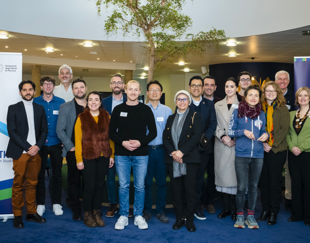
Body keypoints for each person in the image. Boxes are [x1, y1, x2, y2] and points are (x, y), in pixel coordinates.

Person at [109, 80, 157, 230]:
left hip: (141, 154)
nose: (133, 92)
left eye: (136, 90)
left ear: (140, 91)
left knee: (140, 186)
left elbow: (153, 132)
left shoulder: (146, 109)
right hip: (122, 154)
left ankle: (138, 215)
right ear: (125, 90)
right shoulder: (118, 109)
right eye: (130, 89)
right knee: (123, 186)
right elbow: (111, 132)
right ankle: (123, 215)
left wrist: (140, 142)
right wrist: (123, 142)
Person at [6, 80, 48, 229]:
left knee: (32, 184)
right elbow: (12, 132)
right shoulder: (13, 108)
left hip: (35, 153)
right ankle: (17, 215)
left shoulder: (40, 108)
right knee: (18, 185)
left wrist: (36, 147)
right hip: (20, 153)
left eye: (30, 90)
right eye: (25, 90)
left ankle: (31, 212)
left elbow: (44, 130)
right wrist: (29, 147)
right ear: (20, 92)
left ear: (35, 91)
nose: (28, 92)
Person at [228, 85, 269, 229]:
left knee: (253, 187)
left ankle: (250, 216)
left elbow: (264, 130)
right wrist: (243, 131)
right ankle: (240, 215)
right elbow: (230, 131)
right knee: (241, 187)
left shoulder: (262, 113)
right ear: (245, 97)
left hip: (258, 155)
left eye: (256, 95)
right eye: (250, 94)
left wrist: (266, 135)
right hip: (241, 155)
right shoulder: (237, 111)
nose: (253, 97)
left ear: (259, 98)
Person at [163, 90, 202, 232]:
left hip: (189, 160)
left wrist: (182, 152)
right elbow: (165, 138)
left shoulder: (195, 116)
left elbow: (196, 137)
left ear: (189, 101)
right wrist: (173, 152)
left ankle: (190, 221)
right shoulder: (170, 118)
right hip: (173, 160)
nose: (182, 101)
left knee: (190, 192)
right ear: (175, 102)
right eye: (179, 99)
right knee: (176, 191)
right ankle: (179, 219)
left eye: (184, 99)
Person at [74, 91, 115, 227]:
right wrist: (79, 159)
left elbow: (110, 137)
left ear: (100, 102)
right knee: (89, 186)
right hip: (88, 157)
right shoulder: (82, 117)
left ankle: (97, 212)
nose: (93, 102)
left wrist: (111, 155)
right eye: (90, 99)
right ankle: (87, 214)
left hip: (103, 156)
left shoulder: (106, 115)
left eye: (96, 99)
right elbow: (78, 140)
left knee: (99, 186)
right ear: (87, 102)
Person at [257, 81, 290, 225]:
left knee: (274, 183)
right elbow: (256, 127)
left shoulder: (282, 108)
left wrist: (271, 144)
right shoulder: (259, 108)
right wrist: (264, 143)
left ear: (278, 93)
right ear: (264, 93)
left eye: (273, 91)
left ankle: (273, 212)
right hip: (261, 149)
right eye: (267, 91)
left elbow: (284, 130)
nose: (270, 93)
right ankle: (265, 210)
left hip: (277, 150)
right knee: (263, 182)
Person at [33, 76, 65, 217]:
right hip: (39, 144)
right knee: (39, 175)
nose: (48, 86)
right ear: (41, 87)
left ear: (54, 86)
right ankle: (40, 204)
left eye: (50, 84)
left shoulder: (61, 103)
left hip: (56, 143)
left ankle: (56, 203)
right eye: (45, 84)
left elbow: (65, 123)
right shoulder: (34, 102)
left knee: (56, 175)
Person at [56, 78, 87, 221]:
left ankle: (88, 208)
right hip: (73, 150)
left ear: (85, 89)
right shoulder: (65, 107)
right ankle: (76, 209)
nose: (79, 90)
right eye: (76, 88)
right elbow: (60, 130)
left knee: (88, 181)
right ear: (73, 90)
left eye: (81, 87)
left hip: (90, 152)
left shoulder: (94, 106)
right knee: (74, 180)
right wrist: (70, 146)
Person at [143, 80, 172, 223]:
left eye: (157, 90)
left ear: (161, 93)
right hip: (146, 151)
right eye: (151, 90)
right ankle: (147, 210)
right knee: (146, 182)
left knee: (161, 182)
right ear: (147, 93)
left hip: (161, 151)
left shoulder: (167, 111)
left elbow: (170, 133)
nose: (154, 92)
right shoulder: (141, 109)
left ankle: (161, 210)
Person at [188, 76, 217, 218]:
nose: (196, 88)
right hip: (190, 149)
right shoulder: (184, 103)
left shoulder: (209, 104)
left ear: (202, 88)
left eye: (199, 85)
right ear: (189, 88)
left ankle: (198, 204)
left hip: (205, 148)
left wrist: (203, 139)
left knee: (201, 177)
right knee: (191, 178)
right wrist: (193, 141)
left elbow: (213, 124)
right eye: (193, 85)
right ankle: (191, 204)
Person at [102, 74, 127, 218]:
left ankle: (126, 205)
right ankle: (113, 204)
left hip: (126, 145)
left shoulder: (129, 100)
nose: (116, 85)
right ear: (111, 85)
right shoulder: (103, 102)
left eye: (119, 82)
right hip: (108, 144)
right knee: (110, 176)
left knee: (125, 178)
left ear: (123, 85)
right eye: (114, 83)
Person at [214, 77, 239, 221]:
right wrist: (223, 136)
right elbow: (214, 124)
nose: (229, 89)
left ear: (237, 88)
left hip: (237, 145)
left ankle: (236, 210)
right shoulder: (217, 105)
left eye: (232, 86)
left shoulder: (242, 104)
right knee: (223, 179)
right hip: (222, 145)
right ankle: (226, 209)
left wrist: (234, 138)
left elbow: (244, 125)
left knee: (236, 179)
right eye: (226, 86)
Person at [286, 87, 310, 226]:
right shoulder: (291, 114)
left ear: (309, 98)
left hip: (307, 154)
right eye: (300, 95)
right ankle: (296, 214)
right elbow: (288, 134)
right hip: (293, 154)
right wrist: (291, 147)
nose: (302, 98)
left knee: (308, 185)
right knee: (295, 184)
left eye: (305, 95)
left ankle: (308, 216)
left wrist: (300, 148)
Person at [275, 70, 295, 212]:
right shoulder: (270, 96)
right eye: (279, 79)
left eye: (285, 79)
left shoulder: (295, 97)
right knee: (274, 172)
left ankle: (288, 198)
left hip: (291, 140)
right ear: (276, 81)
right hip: (274, 142)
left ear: (288, 81)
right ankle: (273, 199)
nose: (282, 81)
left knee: (289, 171)